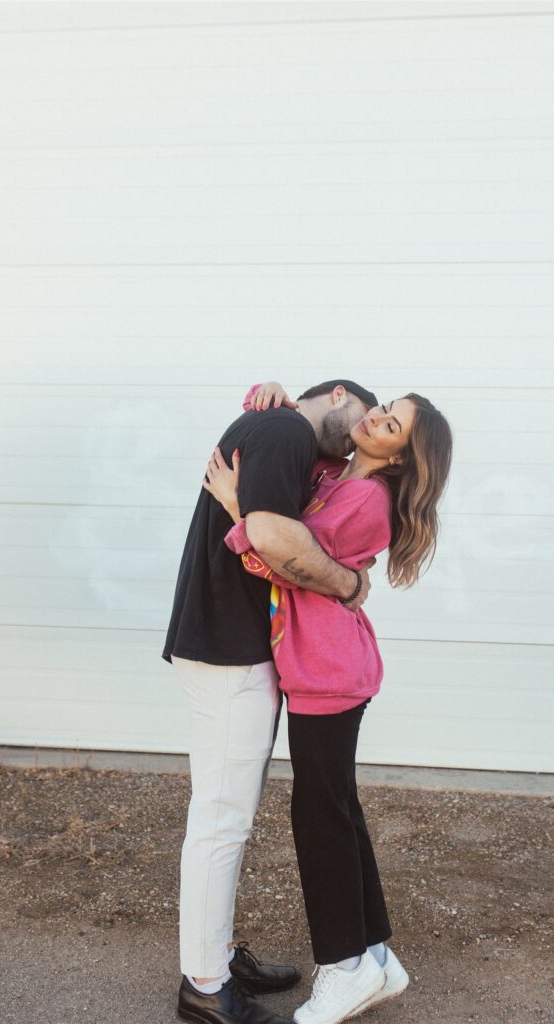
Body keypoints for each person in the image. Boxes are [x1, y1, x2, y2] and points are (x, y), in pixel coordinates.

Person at [204, 381, 453, 1024]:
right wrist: (280, 396)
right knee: (336, 805)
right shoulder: (340, 476)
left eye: (392, 425)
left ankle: (343, 970)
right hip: (325, 665)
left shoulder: (369, 497)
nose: (376, 417)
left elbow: (283, 554)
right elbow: (302, 455)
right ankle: (373, 955)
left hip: (329, 671)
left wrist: (239, 511)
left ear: (399, 457)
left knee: (319, 817)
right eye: (385, 407)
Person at [163, 379, 381, 1024]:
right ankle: (205, 986)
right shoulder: (287, 431)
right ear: (339, 395)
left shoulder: (285, 433)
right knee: (222, 816)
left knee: (227, 810)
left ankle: (216, 955)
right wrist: (348, 583)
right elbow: (275, 540)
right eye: (369, 417)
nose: (365, 436)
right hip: (230, 646)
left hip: (231, 641)